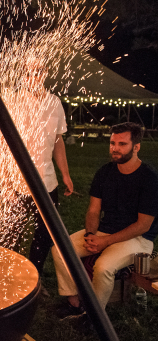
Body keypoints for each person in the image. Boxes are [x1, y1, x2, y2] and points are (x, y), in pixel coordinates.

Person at [52, 122, 158, 317]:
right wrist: (91, 235)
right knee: (59, 250)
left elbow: (143, 225)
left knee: (103, 267)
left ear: (136, 147)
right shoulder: (105, 172)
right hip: (105, 231)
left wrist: (105, 242)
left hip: (138, 239)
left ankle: (95, 317)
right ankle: (74, 303)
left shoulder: (149, 179)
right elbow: (93, 211)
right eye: (112, 143)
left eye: (122, 144)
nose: (115, 149)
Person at [0, 61, 74, 277]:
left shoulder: (55, 102)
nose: (34, 75)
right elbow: (2, 143)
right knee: (13, 232)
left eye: (39, 71)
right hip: (17, 180)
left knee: (46, 232)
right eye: (29, 71)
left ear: (46, 72)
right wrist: (5, 183)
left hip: (47, 180)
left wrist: (65, 174)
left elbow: (58, 140)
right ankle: (8, 277)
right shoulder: (14, 101)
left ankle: (34, 275)